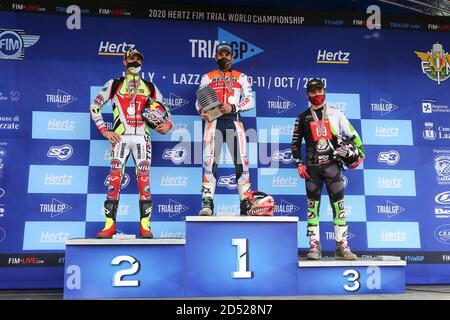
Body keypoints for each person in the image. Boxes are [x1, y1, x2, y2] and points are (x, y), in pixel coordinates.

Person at [90, 48, 172, 238]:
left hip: (143, 139)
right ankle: (109, 225)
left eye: (138, 59)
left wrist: (167, 125)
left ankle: (145, 227)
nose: (135, 61)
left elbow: (166, 110)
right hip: (120, 138)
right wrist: (104, 130)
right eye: (132, 59)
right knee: (114, 180)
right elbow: (95, 106)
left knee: (144, 181)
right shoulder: (115, 84)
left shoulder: (149, 86)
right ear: (124, 62)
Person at [291, 78, 365, 260]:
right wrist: (299, 163)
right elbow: (294, 144)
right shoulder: (301, 118)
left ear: (324, 92)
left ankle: (342, 247)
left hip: (333, 167)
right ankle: (314, 246)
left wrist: (360, 154)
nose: (317, 95)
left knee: (339, 207)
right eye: (313, 92)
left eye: (319, 91)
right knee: (312, 209)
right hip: (312, 170)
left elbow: (353, 134)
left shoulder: (336, 114)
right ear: (307, 95)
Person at [195, 43, 255, 216]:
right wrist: (202, 112)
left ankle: (245, 202)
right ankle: (207, 203)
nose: (224, 57)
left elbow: (250, 100)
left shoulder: (241, 77)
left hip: (234, 121)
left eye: (227, 55)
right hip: (214, 122)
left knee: (242, 163)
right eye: (220, 54)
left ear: (232, 57)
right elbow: (199, 100)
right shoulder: (208, 77)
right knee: (210, 161)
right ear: (216, 57)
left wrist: (234, 107)